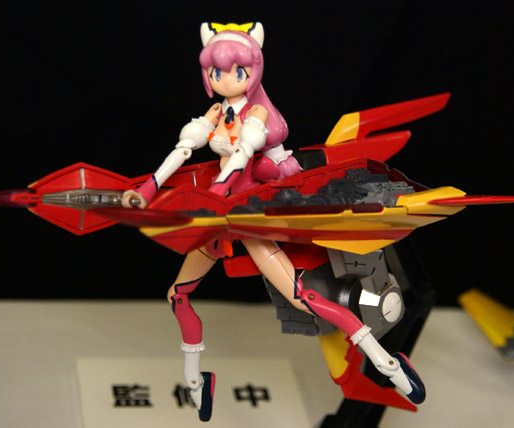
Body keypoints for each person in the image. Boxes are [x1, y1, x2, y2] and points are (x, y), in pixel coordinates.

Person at [122, 22, 424, 422]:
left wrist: (219, 193)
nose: (225, 78)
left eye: (236, 71)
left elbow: (244, 154)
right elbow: (183, 149)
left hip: (249, 214)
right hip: (218, 217)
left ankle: (389, 364)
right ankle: (196, 381)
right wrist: (147, 189)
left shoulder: (257, 112)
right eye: (216, 71)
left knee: (305, 298)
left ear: (253, 72)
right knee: (177, 295)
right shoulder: (217, 112)